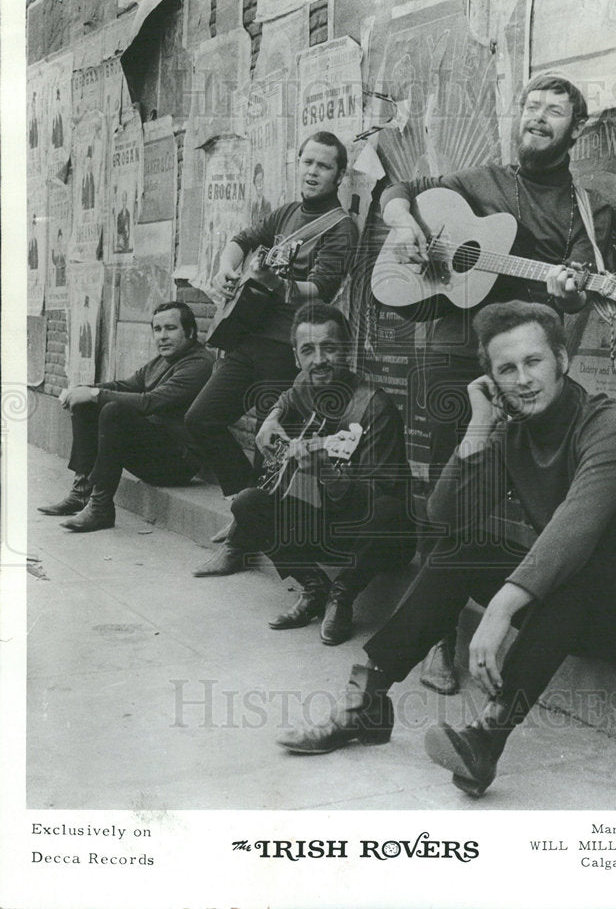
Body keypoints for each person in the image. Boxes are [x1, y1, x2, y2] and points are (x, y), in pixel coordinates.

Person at [276, 300, 616, 797]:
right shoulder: (512, 433)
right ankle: (366, 699)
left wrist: (500, 609)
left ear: (561, 359)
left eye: (533, 362)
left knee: (573, 572)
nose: (524, 380)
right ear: (492, 380)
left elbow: (573, 533)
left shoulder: (610, 428)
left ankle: (486, 738)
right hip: (566, 602)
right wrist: (477, 428)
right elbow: (445, 516)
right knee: (461, 548)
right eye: (506, 370)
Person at [380, 71, 616, 694]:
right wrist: (401, 222)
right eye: (532, 106)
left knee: (504, 487)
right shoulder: (481, 181)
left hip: (519, 364)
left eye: (555, 111)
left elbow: (580, 297)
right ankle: (438, 640)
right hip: (451, 351)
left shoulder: (588, 208)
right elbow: (398, 189)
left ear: (574, 130)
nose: (538, 117)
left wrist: (570, 291)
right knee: (448, 483)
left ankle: (520, 605)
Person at [193, 301, 415, 646]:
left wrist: (326, 472)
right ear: (296, 358)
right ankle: (314, 588)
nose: (319, 360)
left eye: (330, 348)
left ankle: (342, 595)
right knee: (248, 503)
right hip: (321, 522)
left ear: (347, 351)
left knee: (387, 511)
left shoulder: (374, 407)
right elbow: (292, 392)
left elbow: (381, 496)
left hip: (371, 536)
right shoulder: (305, 387)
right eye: (308, 350)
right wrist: (273, 416)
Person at [185, 131, 358, 505]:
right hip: (249, 337)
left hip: (286, 347)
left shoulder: (341, 226)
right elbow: (242, 240)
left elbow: (321, 289)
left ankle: (248, 527)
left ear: (339, 176)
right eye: (308, 162)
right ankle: (243, 500)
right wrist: (226, 268)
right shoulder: (286, 212)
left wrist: (277, 285)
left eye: (324, 166)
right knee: (200, 418)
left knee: (272, 442)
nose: (313, 172)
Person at [39, 302, 214, 534]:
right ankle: (81, 491)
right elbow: (127, 385)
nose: (162, 336)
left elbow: (150, 401)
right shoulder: (161, 361)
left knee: (113, 411)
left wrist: (94, 394)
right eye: (157, 329)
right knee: (86, 404)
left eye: (170, 328)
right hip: (155, 451)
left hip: (178, 463)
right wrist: (83, 389)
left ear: (190, 332)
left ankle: (100, 507)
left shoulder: (199, 363)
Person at [250, 161, 272, 229]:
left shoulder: (267, 204)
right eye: (257, 181)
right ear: (254, 183)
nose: (259, 184)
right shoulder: (254, 205)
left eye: (261, 180)